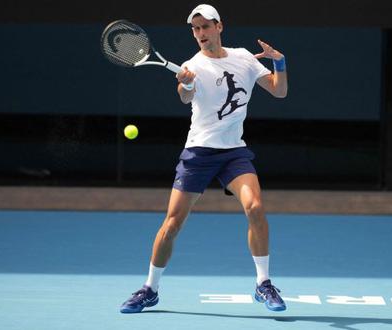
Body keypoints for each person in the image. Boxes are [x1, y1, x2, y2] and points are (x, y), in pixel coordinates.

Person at [120, 4, 288, 313]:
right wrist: (184, 82)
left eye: (205, 27)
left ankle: (263, 284)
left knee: (255, 207)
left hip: (233, 152)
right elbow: (185, 95)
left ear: (219, 27)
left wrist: (280, 62)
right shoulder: (191, 65)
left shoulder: (245, 59)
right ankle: (150, 288)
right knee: (172, 224)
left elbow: (279, 91)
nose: (200, 34)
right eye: (195, 29)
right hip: (199, 152)